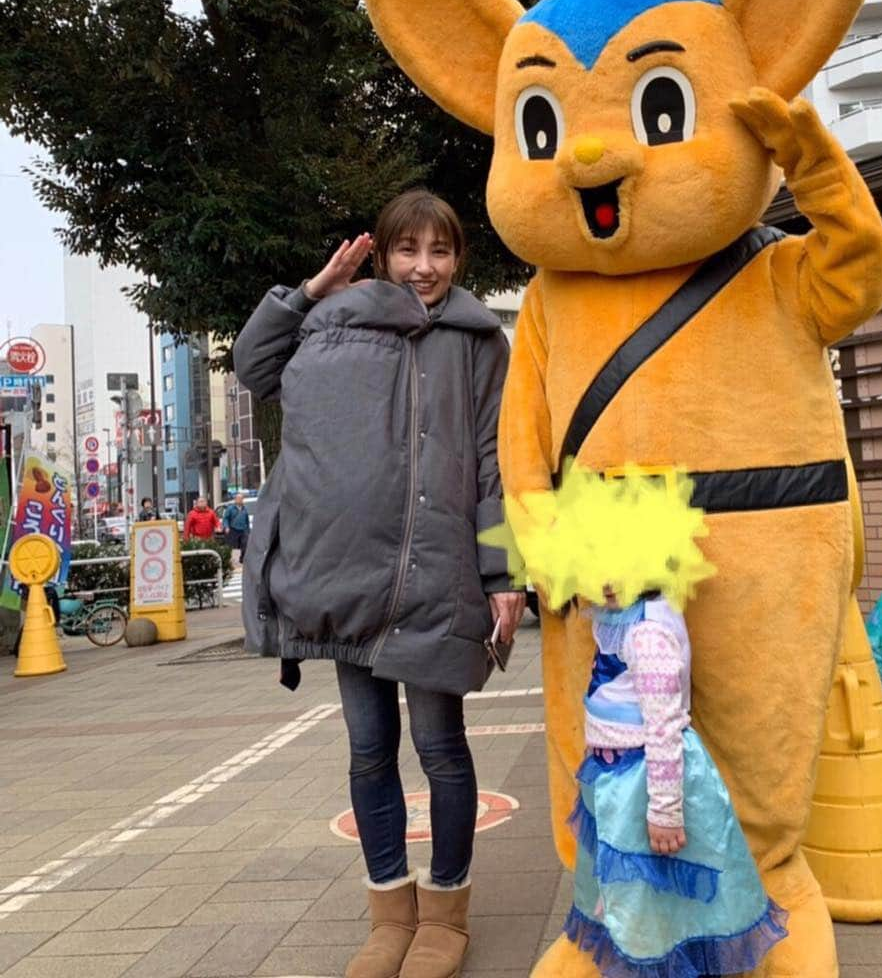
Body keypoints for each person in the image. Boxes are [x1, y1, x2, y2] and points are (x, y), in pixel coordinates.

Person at [234, 188, 525, 978]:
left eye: (439, 252)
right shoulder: (336, 324)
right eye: (407, 250)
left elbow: (497, 463)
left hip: (439, 580)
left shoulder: (479, 343)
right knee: (369, 752)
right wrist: (312, 291)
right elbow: (254, 365)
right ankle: (388, 912)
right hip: (350, 580)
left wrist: (505, 572)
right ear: (384, 254)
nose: (423, 268)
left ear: (459, 259)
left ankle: (447, 915)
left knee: (441, 750)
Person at [485, 469, 787, 978]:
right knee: (635, 888)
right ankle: (643, 951)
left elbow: (665, 727)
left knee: (651, 893)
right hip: (618, 778)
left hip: (646, 781)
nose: (604, 584)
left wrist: (665, 811)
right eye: (593, 567)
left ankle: (655, 962)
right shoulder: (619, 617)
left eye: (618, 568)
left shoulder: (649, 636)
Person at [221, 493, 250, 565]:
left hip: (243, 530)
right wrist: (226, 527)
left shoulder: (244, 509)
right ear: (235, 499)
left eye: (241, 499)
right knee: (232, 546)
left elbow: (247, 520)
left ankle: (242, 559)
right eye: (238, 498)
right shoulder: (230, 508)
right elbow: (225, 519)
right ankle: (231, 560)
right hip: (233, 529)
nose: (240, 500)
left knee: (245, 544)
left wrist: (248, 530)